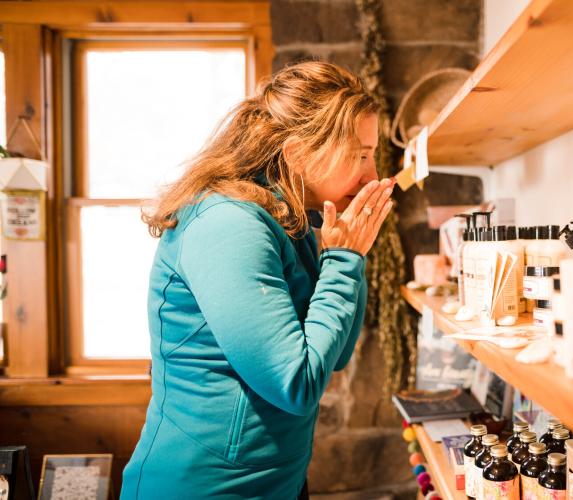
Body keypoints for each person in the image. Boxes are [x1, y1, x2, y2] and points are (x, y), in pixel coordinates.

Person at [121, 61, 394, 499]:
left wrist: (350, 256)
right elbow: (298, 384)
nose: (372, 175)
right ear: (298, 152)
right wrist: (343, 260)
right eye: (360, 154)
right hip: (206, 488)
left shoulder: (292, 219)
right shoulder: (230, 223)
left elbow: (334, 357)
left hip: (275, 482)